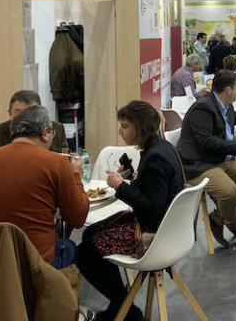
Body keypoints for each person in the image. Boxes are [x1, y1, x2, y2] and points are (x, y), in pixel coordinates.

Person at [0, 105, 89, 269]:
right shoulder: (57, 163)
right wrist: (76, 174)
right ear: (45, 133)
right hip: (36, 267)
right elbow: (78, 218)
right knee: (69, 246)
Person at [78, 101, 184, 321]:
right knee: (89, 234)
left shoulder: (155, 157)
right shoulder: (160, 147)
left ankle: (124, 308)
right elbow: (154, 191)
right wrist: (131, 178)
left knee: (85, 252)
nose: (120, 131)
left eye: (125, 126)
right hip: (167, 227)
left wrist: (119, 186)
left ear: (141, 127)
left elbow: (153, 208)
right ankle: (122, 307)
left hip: (155, 234)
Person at [177, 69, 236, 248]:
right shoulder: (203, 108)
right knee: (230, 192)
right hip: (199, 163)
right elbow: (206, 142)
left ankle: (217, 218)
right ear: (228, 89)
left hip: (220, 158)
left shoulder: (225, 104)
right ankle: (234, 224)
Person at [0, 89, 68, 160]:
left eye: (30, 112)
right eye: (18, 113)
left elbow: (66, 160)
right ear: (9, 113)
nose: (24, 118)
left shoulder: (56, 130)